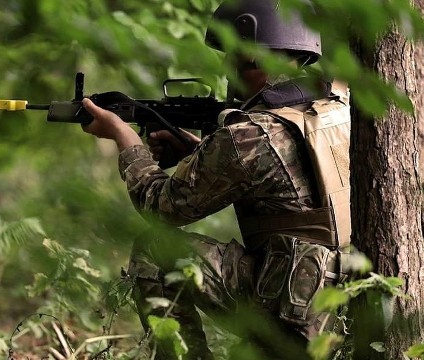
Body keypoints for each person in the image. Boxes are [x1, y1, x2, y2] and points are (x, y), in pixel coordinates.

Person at [81, 0, 351, 359]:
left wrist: (123, 137)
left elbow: (162, 207)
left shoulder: (251, 135)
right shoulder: (337, 110)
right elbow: (292, 186)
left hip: (293, 318)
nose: (226, 65)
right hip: (343, 307)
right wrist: (199, 150)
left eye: (233, 53)